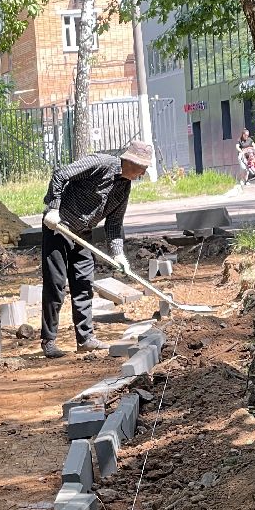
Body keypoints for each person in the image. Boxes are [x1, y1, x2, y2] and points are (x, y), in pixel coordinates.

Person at [38, 139, 153, 359]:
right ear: (131, 162)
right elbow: (60, 175)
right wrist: (53, 208)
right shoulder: (100, 163)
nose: (142, 174)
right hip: (58, 228)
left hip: (82, 236)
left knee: (83, 284)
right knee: (56, 286)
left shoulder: (124, 187)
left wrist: (118, 253)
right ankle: (49, 340)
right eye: (142, 169)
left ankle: (85, 339)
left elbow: (114, 224)